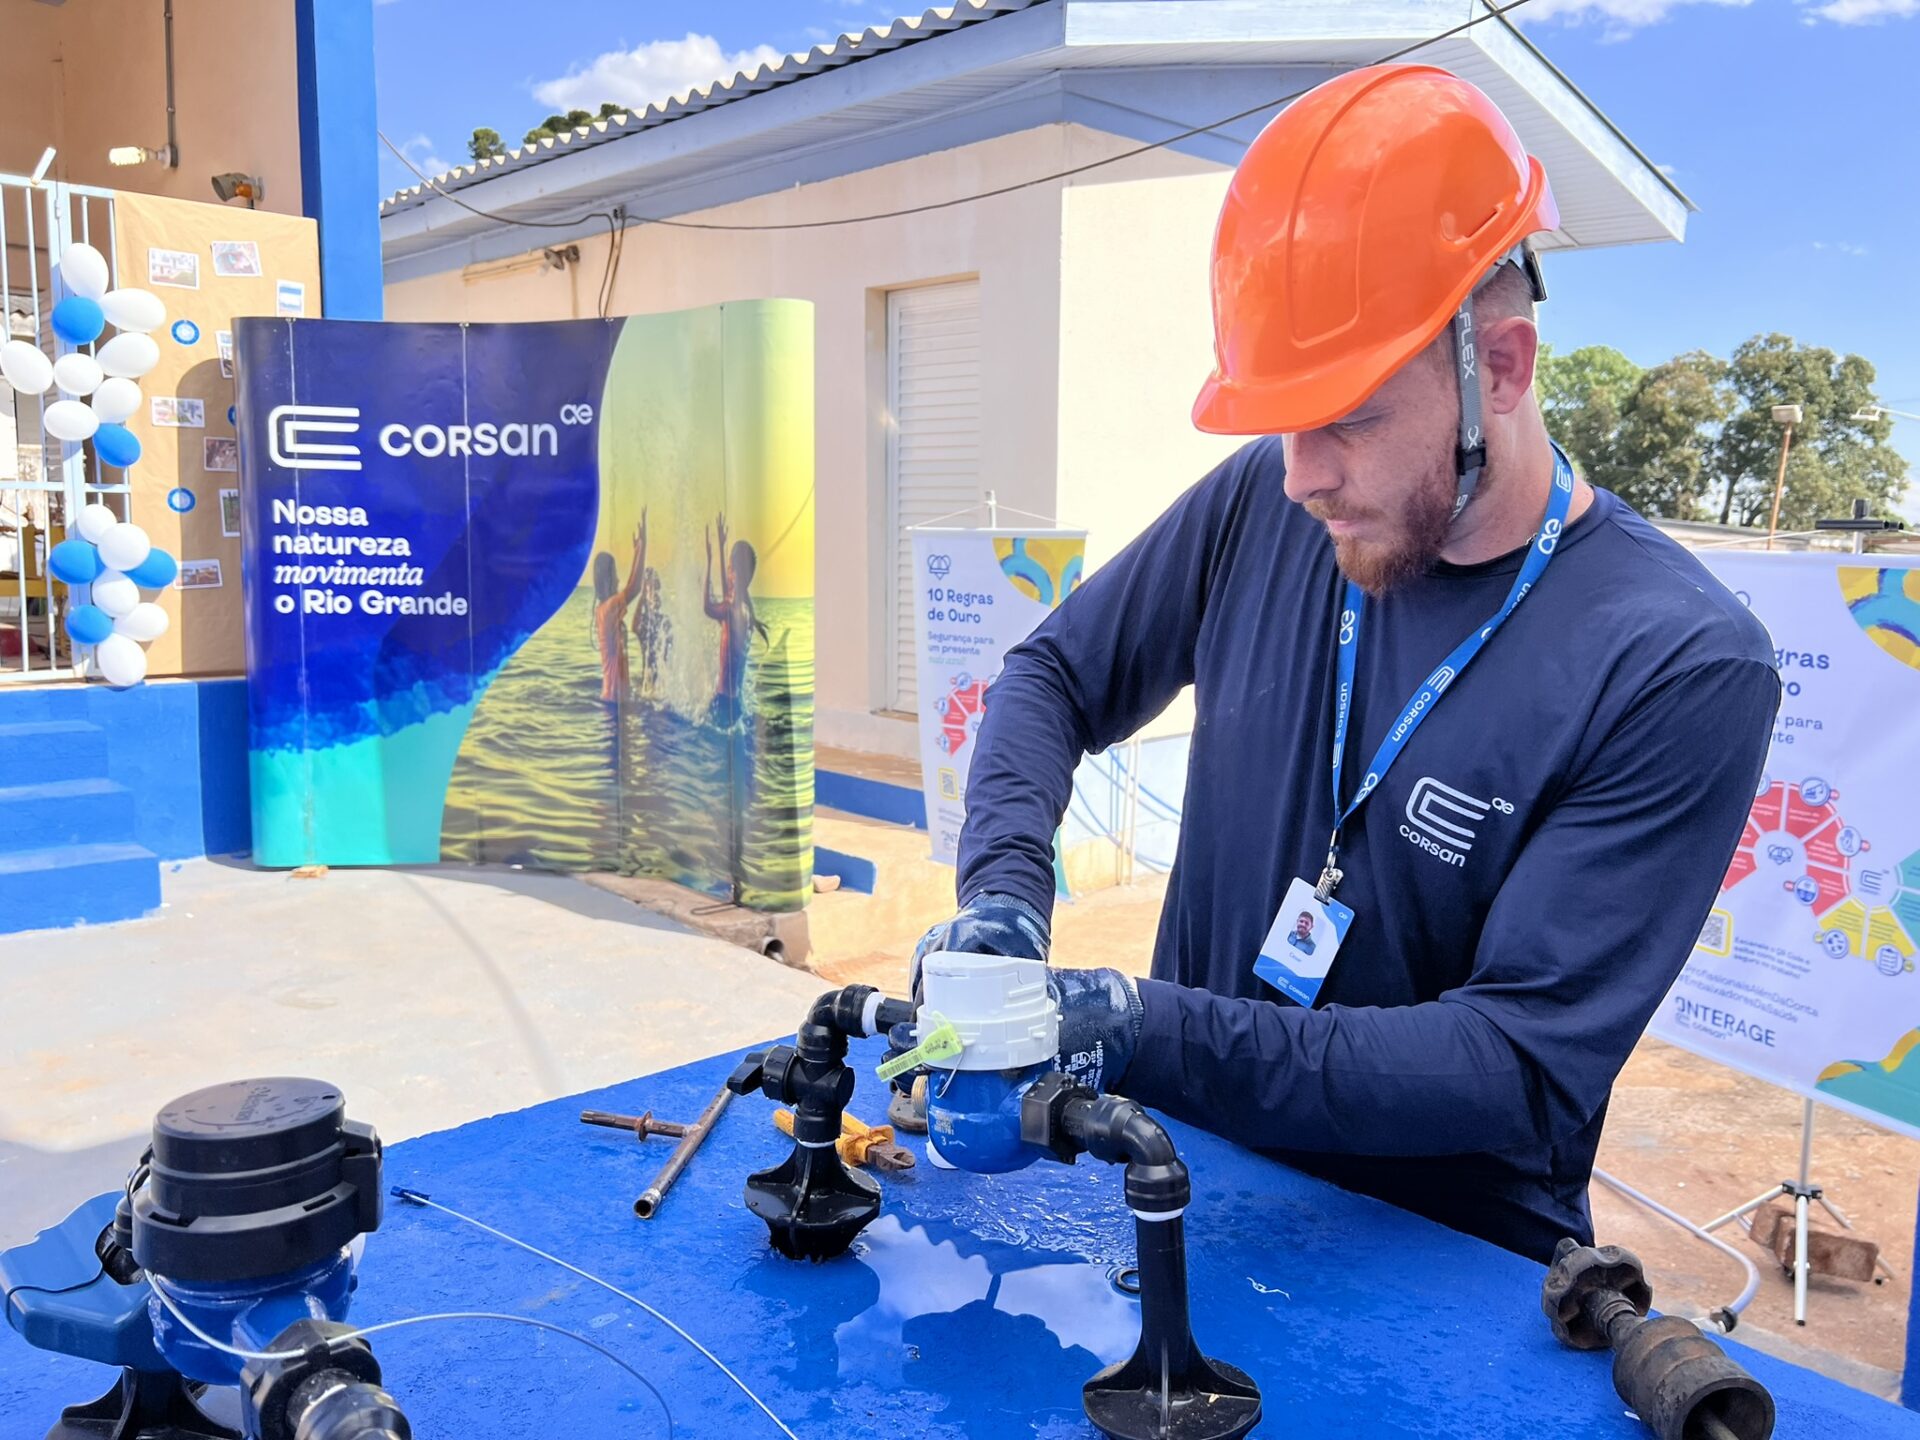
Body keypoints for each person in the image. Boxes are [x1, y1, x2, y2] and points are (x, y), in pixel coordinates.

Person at [899, 65, 1779, 1264]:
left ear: (1502, 368)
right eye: (1282, 420)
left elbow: (1514, 1062)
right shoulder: (1264, 506)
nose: (1302, 475)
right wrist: (1003, 896)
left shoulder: (1678, 662)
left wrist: (1136, 1025)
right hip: (1182, 1186)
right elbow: (1051, 674)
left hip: (1436, 1268)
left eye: (1349, 416)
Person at [704, 511, 770, 726]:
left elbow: (707, 607)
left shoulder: (731, 609)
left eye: (730, 568)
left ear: (735, 573)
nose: (727, 572)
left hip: (723, 703)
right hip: (736, 703)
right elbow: (730, 592)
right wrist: (722, 547)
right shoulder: (746, 610)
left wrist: (709, 561)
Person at [592, 508, 647, 702]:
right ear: (608, 579)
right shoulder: (608, 610)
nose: (617, 579)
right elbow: (635, 587)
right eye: (614, 574)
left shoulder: (606, 610)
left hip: (615, 698)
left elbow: (630, 584)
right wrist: (643, 546)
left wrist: (637, 551)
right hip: (614, 701)